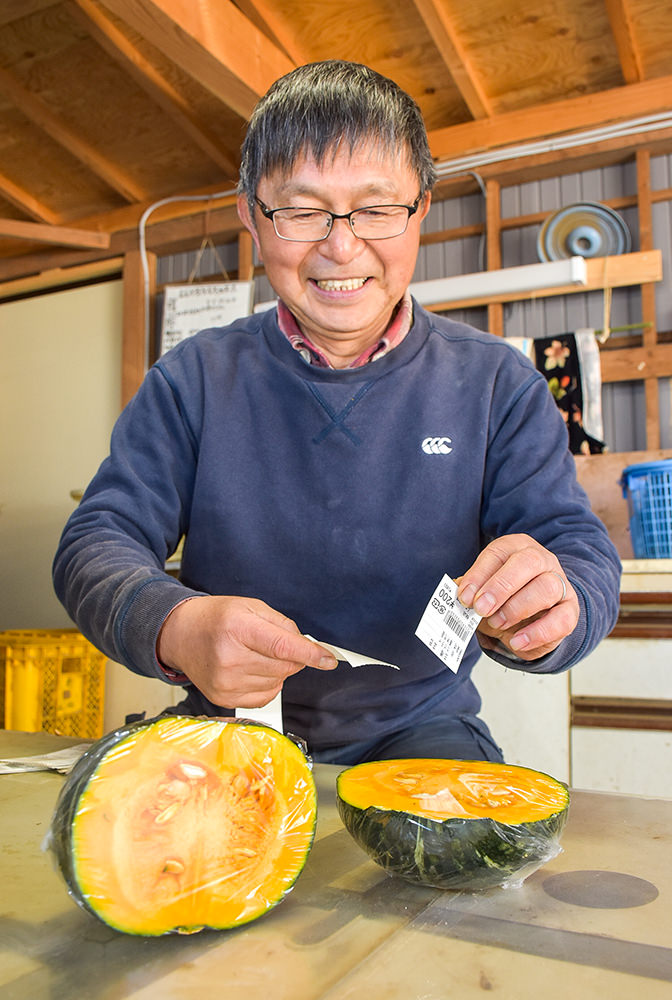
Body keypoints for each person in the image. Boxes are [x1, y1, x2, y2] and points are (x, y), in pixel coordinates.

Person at [53, 60, 621, 765]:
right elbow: (95, 541)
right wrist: (177, 627)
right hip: (229, 729)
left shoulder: (497, 382)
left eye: (377, 208)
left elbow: (575, 544)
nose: (342, 245)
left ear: (420, 213)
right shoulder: (193, 379)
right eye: (301, 210)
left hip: (422, 731)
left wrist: (558, 602)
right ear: (251, 219)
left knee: (460, 864)